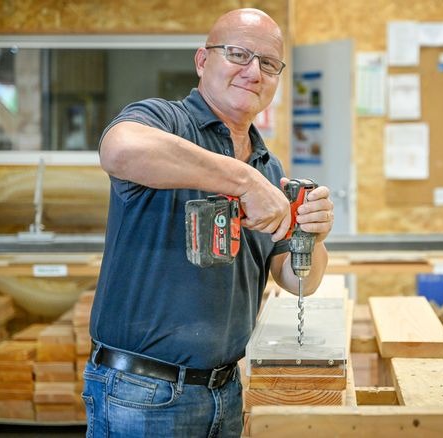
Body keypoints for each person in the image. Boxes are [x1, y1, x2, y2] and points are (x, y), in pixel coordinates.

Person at [83, 8, 334, 437]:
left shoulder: (268, 166)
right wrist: (243, 180)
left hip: (224, 391)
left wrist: (311, 235)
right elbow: (118, 149)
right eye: (238, 54)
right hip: (143, 393)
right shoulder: (165, 121)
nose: (253, 72)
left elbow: (297, 282)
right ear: (202, 61)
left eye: (268, 64)